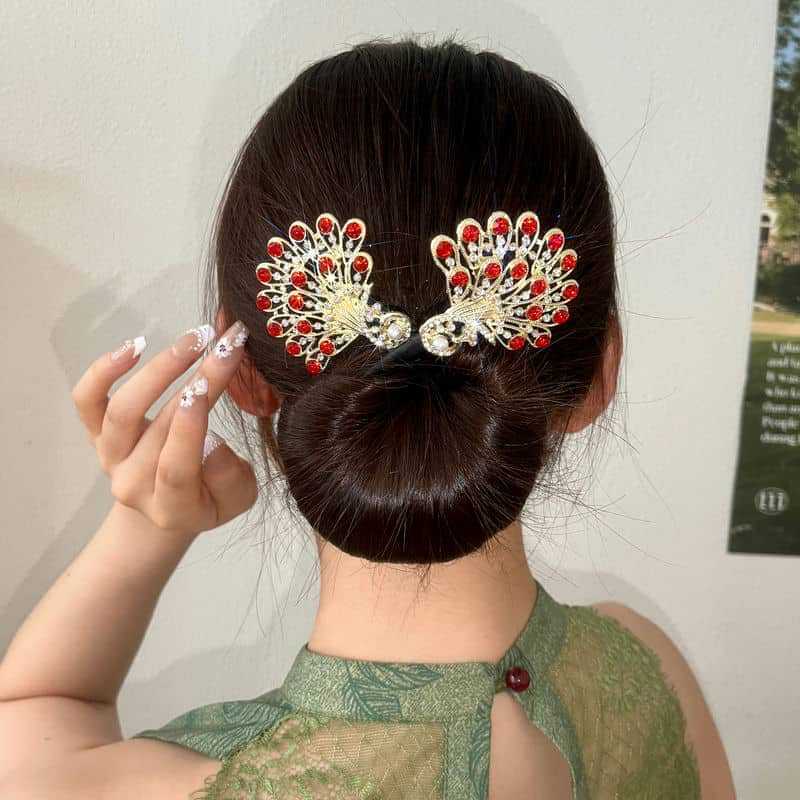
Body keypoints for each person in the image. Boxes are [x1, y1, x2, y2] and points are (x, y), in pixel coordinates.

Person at [0, 37, 735, 799]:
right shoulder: (648, 674)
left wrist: (148, 521)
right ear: (599, 373)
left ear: (240, 369)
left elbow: (36, 713)